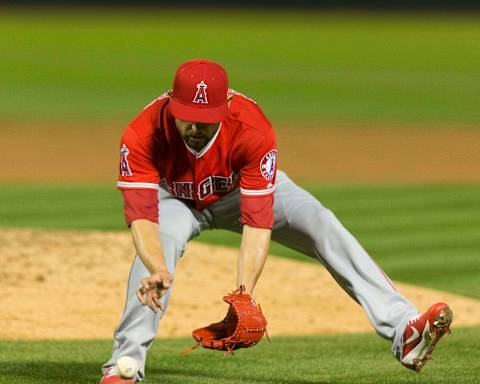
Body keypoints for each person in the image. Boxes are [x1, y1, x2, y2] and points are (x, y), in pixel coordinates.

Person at [99, 59, 452, 383]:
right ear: (171, 104)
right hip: (174, 199)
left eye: (206, 119)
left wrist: (243, 295)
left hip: (238, 192)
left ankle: (404, 331)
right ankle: (124, 365)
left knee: (320, 222)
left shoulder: (251, 127)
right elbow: (142, 216)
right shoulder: (143, 133)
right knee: (161, 249)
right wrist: (158, 267)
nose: (195, 126)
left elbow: (257, 221)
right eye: (186, 115)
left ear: (224, 111)